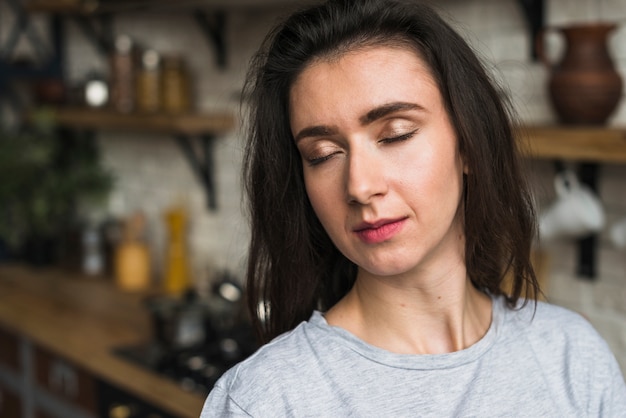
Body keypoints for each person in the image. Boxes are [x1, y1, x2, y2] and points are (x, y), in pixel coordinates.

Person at [201, 0, 626, 416]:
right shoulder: (264, 400)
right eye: (323, 153)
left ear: (469, 145)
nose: (361, 187)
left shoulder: (572, 356)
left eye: (396, 135)